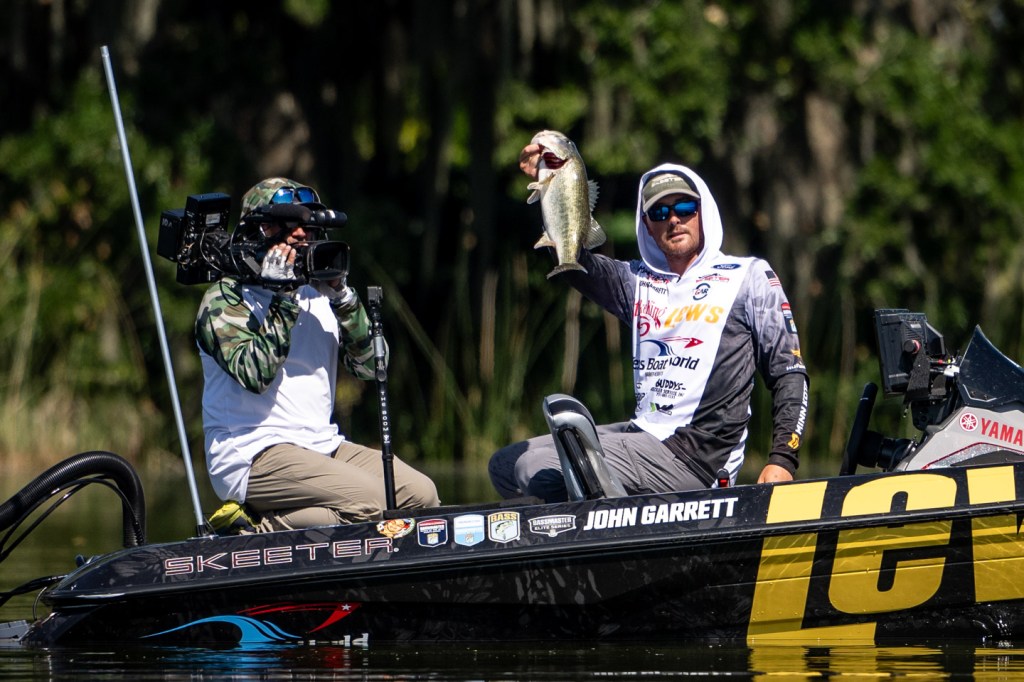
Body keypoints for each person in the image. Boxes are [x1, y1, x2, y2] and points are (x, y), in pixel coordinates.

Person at [488, 147, 809, 502]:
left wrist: (783, 459)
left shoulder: (748, 276)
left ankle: (600, 522)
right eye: (659, 212)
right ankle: (584, 526)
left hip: (695, 459)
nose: (674, 219)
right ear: (648, 227)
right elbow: (573, 259)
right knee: (505, 464)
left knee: (532, 467)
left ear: (702, 211)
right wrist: (552, 177)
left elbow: (789, 373)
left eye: (684, 207)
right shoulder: (636, 281)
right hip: (645, 435)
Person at [199, 177, 439, 533]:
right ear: (257, 230)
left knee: (421, 495)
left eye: (309, 225)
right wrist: (282, 297)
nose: (301, 234)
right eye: (286, 224)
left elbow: (373, 367)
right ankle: (251, 533)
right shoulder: (226, 298)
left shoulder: (317, 293)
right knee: (369, 502)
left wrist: (343, 299)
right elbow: (255, 373)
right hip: (252, 452)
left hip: (321, 444)